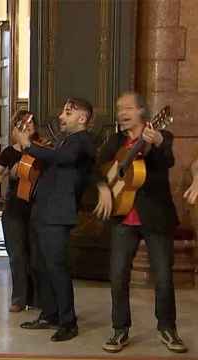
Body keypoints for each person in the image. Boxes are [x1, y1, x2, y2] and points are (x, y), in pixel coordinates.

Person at [94, 92, 187, 353]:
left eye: (127, 108)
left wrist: (157, 142)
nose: (121, 112)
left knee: (164, 277)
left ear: (142, 112)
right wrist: (103, 187)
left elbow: (168, 160)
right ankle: (119, 330)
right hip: (124, 217)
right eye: (119, 108)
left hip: (155, 217)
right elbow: (100, 167)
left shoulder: (160, 135)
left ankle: (168, 329)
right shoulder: (115, 141)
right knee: (118, 275)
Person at [18, 98, 96, 342]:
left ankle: (68, 321)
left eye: (68, 113)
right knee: (41, 265)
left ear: (82, 119)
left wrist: (28, 145)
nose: (62, 116)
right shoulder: (66, 141)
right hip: (44, 210)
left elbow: (62, 158)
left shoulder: (82, 141)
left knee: (56, 268)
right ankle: (50, 313)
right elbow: (53, 158)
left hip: (58, 213)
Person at [0, 110, 40, 312]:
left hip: (37, 207)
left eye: (31, 123)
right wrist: (5, 173)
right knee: (17, 254)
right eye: (22, 123)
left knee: (36, 254)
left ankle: (36, 299)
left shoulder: (41, 149)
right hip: (15, 208)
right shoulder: (9, 152)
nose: (27, 126)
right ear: (16, 128)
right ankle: (18, 298)